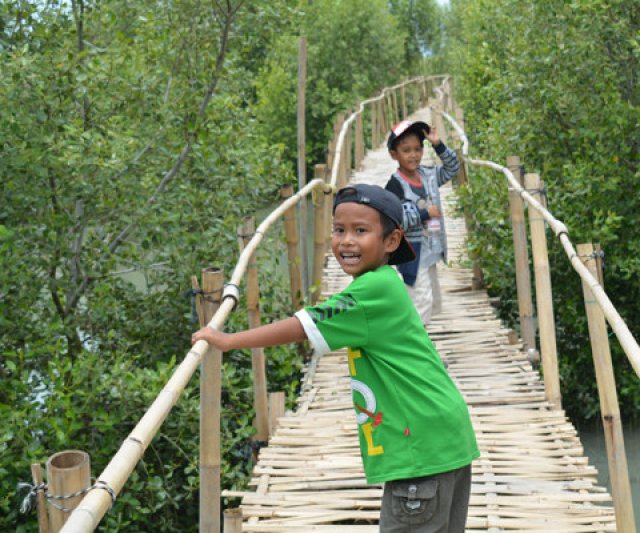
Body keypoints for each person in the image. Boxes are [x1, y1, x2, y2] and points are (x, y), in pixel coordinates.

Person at [192, 184, 479, 532]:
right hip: (442, 437)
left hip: (420, 447)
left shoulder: (371, 290)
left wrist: (227, 340)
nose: (346, 241)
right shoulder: (384, 281)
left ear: (391, 241)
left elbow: (302, 326)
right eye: (339, 230)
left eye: (361, 231)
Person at [385, 120, 460, 325]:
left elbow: (453, 168)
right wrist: (424, 213)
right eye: (406, 150)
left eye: (418, 149)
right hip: (412, 254)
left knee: (432, 302)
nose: (413, 155)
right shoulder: (395, 185)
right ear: (394, 154)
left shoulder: (429, 174)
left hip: (431, 252)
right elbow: (397, 219)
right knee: (420, 303)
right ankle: (414, 349)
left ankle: (418, 342)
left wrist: (438, 144)